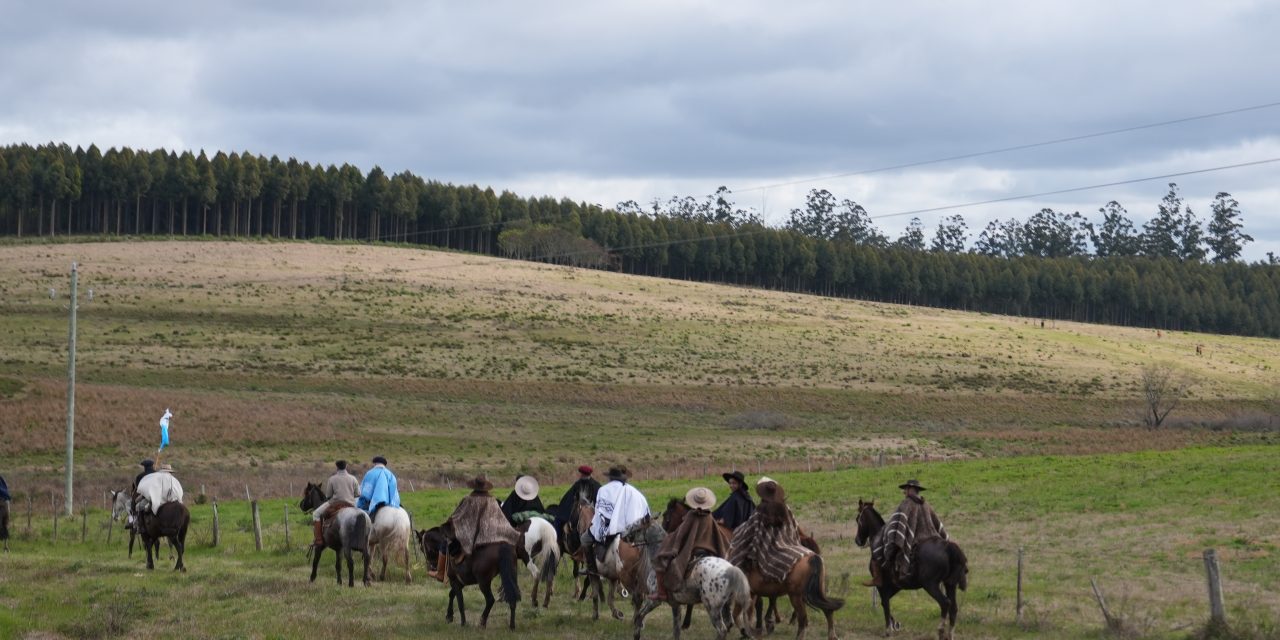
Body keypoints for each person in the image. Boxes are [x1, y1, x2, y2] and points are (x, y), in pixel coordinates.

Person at [431, 476, 521, 582]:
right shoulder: (492, 500)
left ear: (474, 486)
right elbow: (499, 517)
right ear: (485, 487)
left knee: (445, 543)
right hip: (492, 531)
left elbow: (458, 516)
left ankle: (440, 573)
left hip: (471, 532)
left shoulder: (468, 499)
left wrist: (449, 522)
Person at [649, 486, 730, 601]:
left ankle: (662, 593)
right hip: (710, 550)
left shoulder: (691, 516)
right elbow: (716, 534)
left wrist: (669, 540)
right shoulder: (709, 516)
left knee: (660, 561)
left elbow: (680, 534)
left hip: (693, 550)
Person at [727, 476, 812, 583]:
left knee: (740, 554)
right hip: (787, 542)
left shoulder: (760, 511)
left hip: (765, 546)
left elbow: (749, 530)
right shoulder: (786, 508)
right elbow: (793, 526)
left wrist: (738, 534)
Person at [882, 479, 947, 584]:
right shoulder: (926, 504)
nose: (904, 492)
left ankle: (900, 570)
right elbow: (937, 522)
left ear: (911, 489)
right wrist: (944, 537)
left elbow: (898, 524)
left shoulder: (906, 503)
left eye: (906, 489)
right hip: (932, 536)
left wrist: (895, 541)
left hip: (916, 539)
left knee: (896, 547)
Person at [584, 465, 650, 569]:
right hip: (631, 528)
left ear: (610, 477)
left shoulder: (603, 490)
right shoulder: (633, 491)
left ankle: (590, 568)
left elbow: (600, 512)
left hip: (610, 529)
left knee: (584, 540)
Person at [312, 460, 361, 548]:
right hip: (351, 504)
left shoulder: (332, 479)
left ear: (337, 467)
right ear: (346, 467)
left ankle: (319, 539)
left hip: (335, 503)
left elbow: (328, 495)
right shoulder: (353, 478)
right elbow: (358, 494)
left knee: (316, 514)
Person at [553, 465, 601, 546]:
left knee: (559, 519)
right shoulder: (596, 485)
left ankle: (558, 541)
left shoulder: (579, 484)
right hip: (590, 509)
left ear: (582, 474)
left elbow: (568, 498)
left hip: (584, 509)